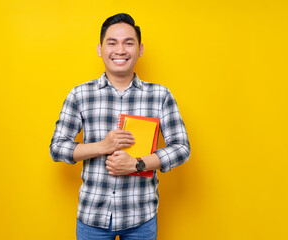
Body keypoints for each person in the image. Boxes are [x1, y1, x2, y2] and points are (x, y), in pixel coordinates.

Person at [50, 13, 190, 240]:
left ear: (140, 49)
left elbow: (181, 148)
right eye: (112, 43)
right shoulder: (80, 95)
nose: (120, 50)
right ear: (100, 48)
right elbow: (57, 148)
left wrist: (137, 164)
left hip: (140, 216)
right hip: (92, 216)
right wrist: (102, 146)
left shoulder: (160, 95)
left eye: (129, 43)